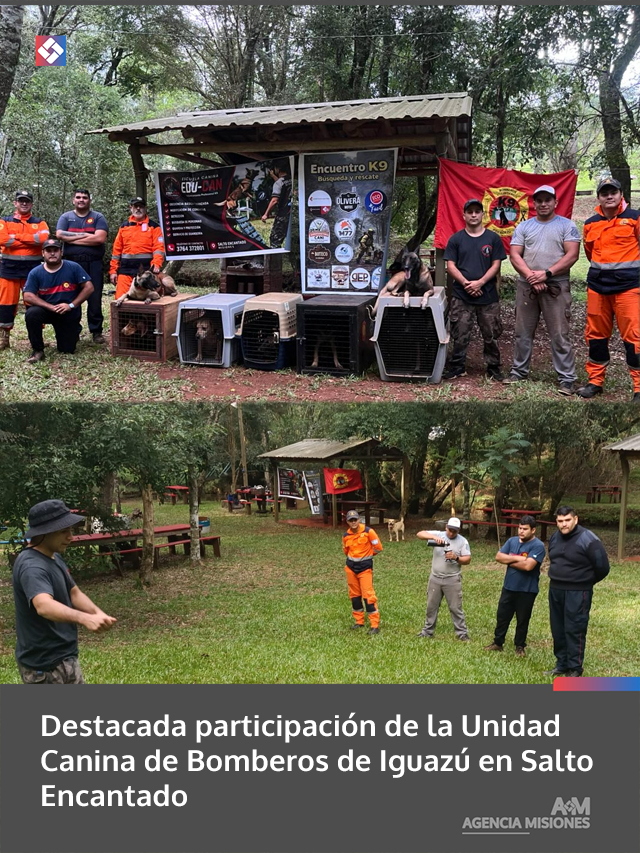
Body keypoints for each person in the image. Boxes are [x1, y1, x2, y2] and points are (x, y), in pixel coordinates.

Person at [12, 499, 117, 684]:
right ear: (44, 533)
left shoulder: (53, 557)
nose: (71, 537)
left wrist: (97, 613)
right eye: (63, 531)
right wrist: (84, 619)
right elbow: (43, 605)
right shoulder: (32, 566)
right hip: (44, 668)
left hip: (65, 657)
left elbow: (73, 593)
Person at [505, 185, 581, 395]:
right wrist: (531, 276)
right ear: (534, 203)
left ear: (555, 202)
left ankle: (566, 378)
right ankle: (519, 372)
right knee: (522, 332)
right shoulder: (524, 227)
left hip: (556, 285)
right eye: (539, 200)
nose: (543, 203)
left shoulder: (567, 226)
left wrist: (546, 274)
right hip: (526, 286)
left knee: (559, 333)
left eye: (548, 200)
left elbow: (572, 255)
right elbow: (515, 255)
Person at [578, 177, 640, 402]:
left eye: (613, 192)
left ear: (621, 194)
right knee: (595, 336)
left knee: (634, 338)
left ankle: (638, 387)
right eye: (604, 193)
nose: (609, 196)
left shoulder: (635, 218)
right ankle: (595, 382)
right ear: (599, 198)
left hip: (628, 289)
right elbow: (589, 252)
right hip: (597, 288)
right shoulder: (590, 223)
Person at [442, 198, 507, 381]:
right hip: (462, 295)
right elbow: (451, 266)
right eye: (469, 212)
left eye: (477, 211)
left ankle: (493, 367)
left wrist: (480, 282)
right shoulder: (456, 239)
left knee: (491, 334)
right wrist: (466, 284)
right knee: (460, 333)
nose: (473, 215)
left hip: (487, 295)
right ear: (464, 215)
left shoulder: (492, 238)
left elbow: (496, 264)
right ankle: (457, 366)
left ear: (482, 214)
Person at [545, 505, 610, 677]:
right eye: (560, 521)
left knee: (574, 628)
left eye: (567, 520)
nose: (564, 524)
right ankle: (562, 664)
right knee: (558, 628)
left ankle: (575, 668)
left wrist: (584, 582)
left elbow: (603, 567)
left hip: (578, 591)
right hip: (556, 589)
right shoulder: (554, 538)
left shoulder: (588, 539)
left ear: (576, 519)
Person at [22, 238, 94, 362]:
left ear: (61, 252)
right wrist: (50, 307)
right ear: (43, 253)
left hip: (68, 311)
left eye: (55, 250)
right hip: (47, 310)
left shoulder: (73, 267)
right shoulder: (35, 272)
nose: (52, 253)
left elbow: (89, 287)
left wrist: (71, 305)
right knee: (32, 313)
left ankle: (73, 331)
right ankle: (38, 350)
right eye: (48, 251)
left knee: (67, 349)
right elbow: (28, 295)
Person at [484, 516, 546, 657]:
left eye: (525, 529)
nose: (521, 531)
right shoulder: (511, 541)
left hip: (527, 590)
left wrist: (509, 560)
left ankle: (519, 646)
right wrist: (518, 558)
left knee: (522, 619)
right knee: (502, 616)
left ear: (533, 530)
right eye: (520, 528)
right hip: (509, 587)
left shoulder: (538, 546)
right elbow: (498, 557)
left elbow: (528, 566)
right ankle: (498, 642)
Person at [56, 188, 108, 344]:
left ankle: (96, 331)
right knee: (71, 295)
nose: (81, 199)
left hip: (93, 263)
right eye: (78, 197)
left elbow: (99, 239)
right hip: (71, 263)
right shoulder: (66, 217)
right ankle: (74, 330)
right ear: (73, 200)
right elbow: (59, 235)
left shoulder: (98, 217)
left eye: (84, 197)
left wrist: (71, 239)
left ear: (89, 200)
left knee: (94, 296)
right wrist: (87, 236)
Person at [0, 189, 49, 350]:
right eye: (21, 200)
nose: (24, 203)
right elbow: (2, 239)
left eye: (27, 200)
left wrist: (16, 238)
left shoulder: (39, 221)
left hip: (32, 271)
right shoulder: (5, 221)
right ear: (15, 203)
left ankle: (36, 338)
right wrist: (30, 240)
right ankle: (3, 337)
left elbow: (42, 239)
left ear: (31, 204)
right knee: (6, 303)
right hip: (8, 270)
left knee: (34, 304)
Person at [416, 517, 471, 640]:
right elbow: (420, 534)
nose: (451, 533)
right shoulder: (439, 534)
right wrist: (433, 537)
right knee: (431, 606)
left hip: (452, 579)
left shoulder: (463, 541)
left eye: (455, 531)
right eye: (450, 530)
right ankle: (427, 631)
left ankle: (462, 633)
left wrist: (456, 557)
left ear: (459, 530)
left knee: (455, 607)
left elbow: (467, 559)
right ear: (446, 527)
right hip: (435, 577)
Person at [109, 197, 165, 301]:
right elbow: (116, 251)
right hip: (126, 270)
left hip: (146, 272)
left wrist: (156, 264)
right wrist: (113, 271)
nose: (138, 209)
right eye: (135, 206)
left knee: (150, 302)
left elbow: (159, 248)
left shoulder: (154, 227)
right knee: (120, 300)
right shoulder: (124, 227)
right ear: (131, 208)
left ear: (145, 209)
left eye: (141, 206)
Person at [342, 509, 383, 634]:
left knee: (368, 596)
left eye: (355, 519)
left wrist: (367, 556)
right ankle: (359, 622)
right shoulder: (346, 535)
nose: (353, 522)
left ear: (359, 520)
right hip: (350, 568)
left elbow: (378, 548)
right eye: (351, 520)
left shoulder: (368, 531)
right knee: (354, 596)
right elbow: (346, 551)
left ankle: (374, 625)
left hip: (365, 568)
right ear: (348, 522)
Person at [261, 164, 292, 248]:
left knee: (275, 240)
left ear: (277, 169)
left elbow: (274, 200)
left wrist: (266, 214)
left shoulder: (279, 183)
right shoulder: (292, 179)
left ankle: (275, 260)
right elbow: (284, 185)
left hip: (283, 214)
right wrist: (274, 176)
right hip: (294, 214)